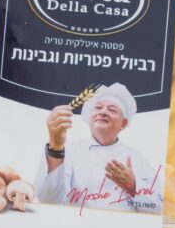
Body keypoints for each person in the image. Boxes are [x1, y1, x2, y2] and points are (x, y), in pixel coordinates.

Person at [33, 83, 163, 214]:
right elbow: (48, 200)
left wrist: (133, 185)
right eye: (98, 107)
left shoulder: (136, 157)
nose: (103, 112)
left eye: (112, 110)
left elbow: (159, 209)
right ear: (90, 117)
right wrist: (55, 147)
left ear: (123, 124)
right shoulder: (68, 150)